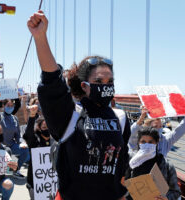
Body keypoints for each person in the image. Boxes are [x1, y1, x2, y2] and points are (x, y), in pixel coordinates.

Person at [28, 11, 131, 199]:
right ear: (84, 85)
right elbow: (53, 83)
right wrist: (40, 38)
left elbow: (122, 161)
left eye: (110, 81)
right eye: (99, 80)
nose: (106, 86)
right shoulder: (71, 116)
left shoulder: (121, 118)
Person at [125, 127, 181, 200]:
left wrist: (166, 198)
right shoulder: (130, 160)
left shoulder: (166, 165)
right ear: (139, 142)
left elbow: (176, 191)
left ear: (157, 142)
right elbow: (120, 183)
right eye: (143, 142)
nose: (147, 145)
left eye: (150, 142)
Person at [0, 92, 29, 179]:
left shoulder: (15, 119)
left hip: (11, 146)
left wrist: (22, 142)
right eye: (8, 105)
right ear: (4, 106)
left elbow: (18, 136)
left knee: (25, 150)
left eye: (12, 105)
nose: (10, 107)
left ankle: (16, 170)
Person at [23, 105, 53, 199]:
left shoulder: (55, 141)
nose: (47, 129)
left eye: (49, 127)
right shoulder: (35, 140)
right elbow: (28, 133)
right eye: (44, 127)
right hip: (34, 181)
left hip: (51, 181)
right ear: (39, 128)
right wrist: (32, 116)